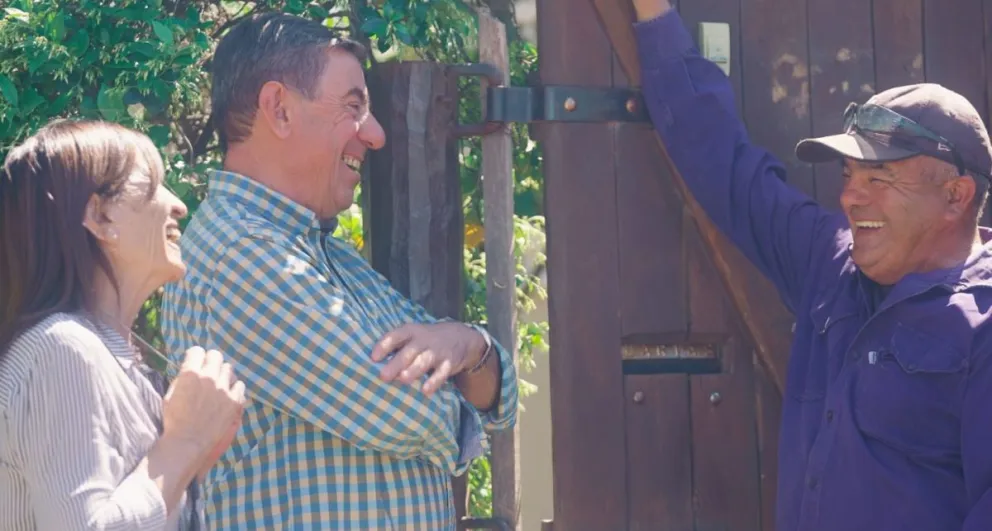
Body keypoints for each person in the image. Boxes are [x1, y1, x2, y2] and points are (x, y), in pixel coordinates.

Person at [631, 1, 992, 530]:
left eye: (878, 179)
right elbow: (723, 165)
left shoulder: (983, 327)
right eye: (848, 175)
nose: (850, 198)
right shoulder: (831, 264)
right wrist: (653, 13)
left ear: (955, 196)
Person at [160, 12, 518, 529]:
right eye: (354, 107)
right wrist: (464, 364)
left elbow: (498, 395)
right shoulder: (240, 252)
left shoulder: (327, 254)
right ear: (279, 109)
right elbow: (406, 413)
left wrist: (467, 344)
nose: (376, 134)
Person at [0, 119, 246, 530]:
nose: (178, 205)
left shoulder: (109, 360)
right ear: (100, 216)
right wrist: (185, 444)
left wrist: (193, 458)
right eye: (153, 184)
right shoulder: (60, 348)